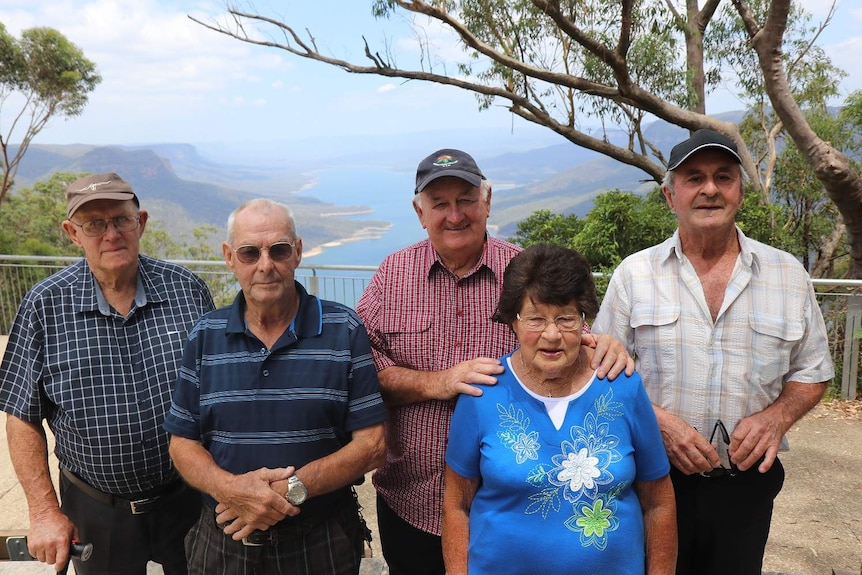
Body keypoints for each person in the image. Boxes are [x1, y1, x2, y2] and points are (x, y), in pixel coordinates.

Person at [355, 148, 634, 575]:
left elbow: (565, 339)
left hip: (508, 509)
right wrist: (436, 382)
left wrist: (606, 345)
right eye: (440, 204)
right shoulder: (391, 275)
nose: (454, 215)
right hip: (409, 500)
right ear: (419, 211)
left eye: (466, 200)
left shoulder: (523, 271)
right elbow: (361, 370)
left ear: (487, 202)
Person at [592, 129, 834, 575]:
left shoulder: (787, 275)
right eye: (694, 178)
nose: (709, 189)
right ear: (670, 195)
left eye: (723, 177)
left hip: (746, 486)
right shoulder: (634, 276)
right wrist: (659, 423)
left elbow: (813, 369)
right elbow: (598, 375)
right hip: (653, 483)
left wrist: (776, 417)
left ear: (740, 191)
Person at [0, 172, 216, 574]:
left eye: (120, 219)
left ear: (142, 222)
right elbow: (21, 417)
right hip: (96, 510)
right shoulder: (44, 306)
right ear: (72, 233)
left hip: (188, 499)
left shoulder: (188, 290)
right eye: (94, 224)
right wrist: (44, 511)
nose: (111, 233)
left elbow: (220, 392)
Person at [164, 198, 387, 575]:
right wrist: (231, 490)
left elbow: (372, 445)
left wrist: (288, 490)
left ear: (297, 252)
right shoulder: (206, 335)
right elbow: (182, 442)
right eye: (250, 253)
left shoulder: (344, 329)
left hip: (320, 542)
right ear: (229, 257)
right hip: (224, 542)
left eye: (279, 250)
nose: (265, 265)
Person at [443, 244, 676, 575]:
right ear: (513, 321)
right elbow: (457, 504)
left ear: (584, 320)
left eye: (566, 318)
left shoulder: (622, 386)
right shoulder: (482, 393)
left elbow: (658, 502)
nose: (551, 335)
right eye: (536, 319)